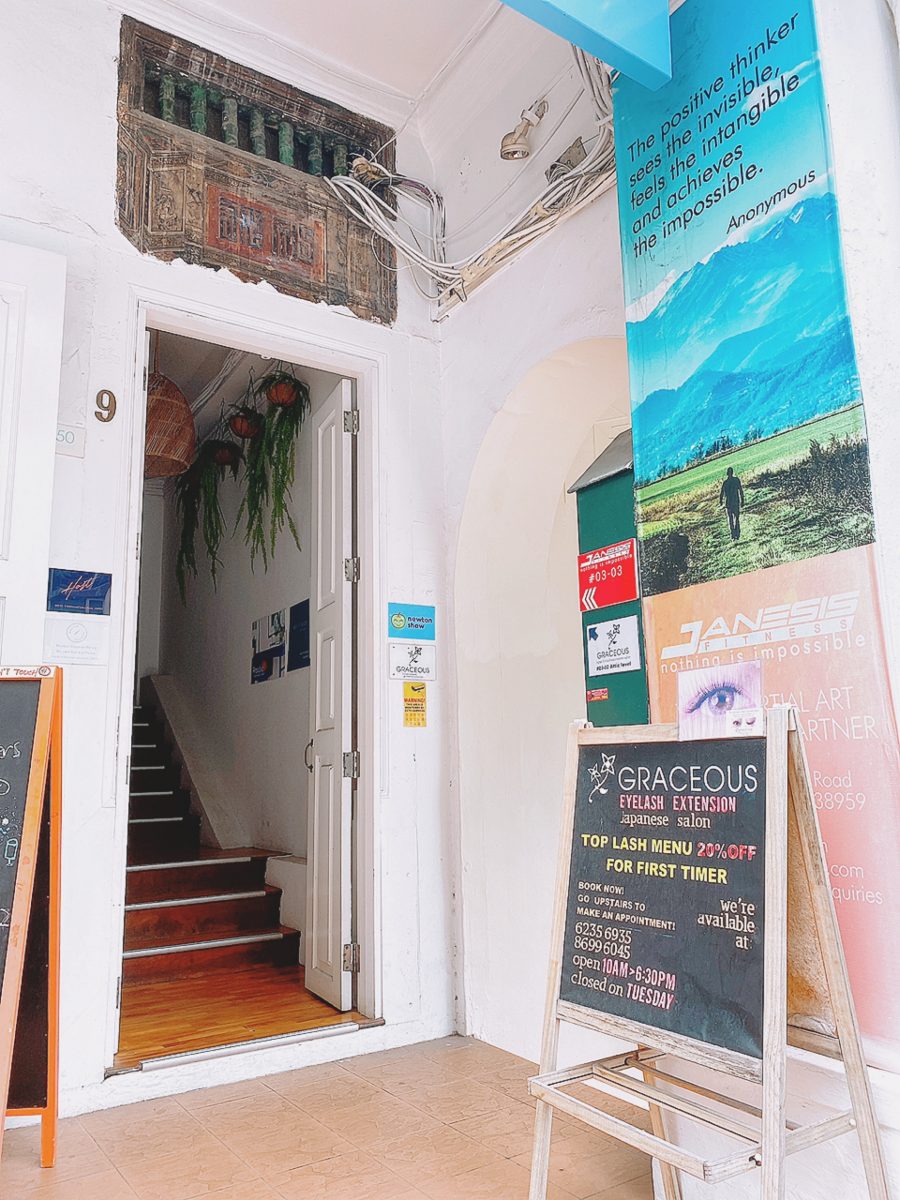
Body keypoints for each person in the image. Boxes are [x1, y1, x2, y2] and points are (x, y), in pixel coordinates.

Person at [719, 466, 745, 540]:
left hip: (728, 503)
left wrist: (721, 501)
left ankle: (733, 534)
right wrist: (742, 500)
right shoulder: (736, 480)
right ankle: (737, 532)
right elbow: (740, 490)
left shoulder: (725, 483)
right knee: (736, 518)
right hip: (735, 502)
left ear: (727, 473)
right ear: (732, 473)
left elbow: (721, 493)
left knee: (730, 519)